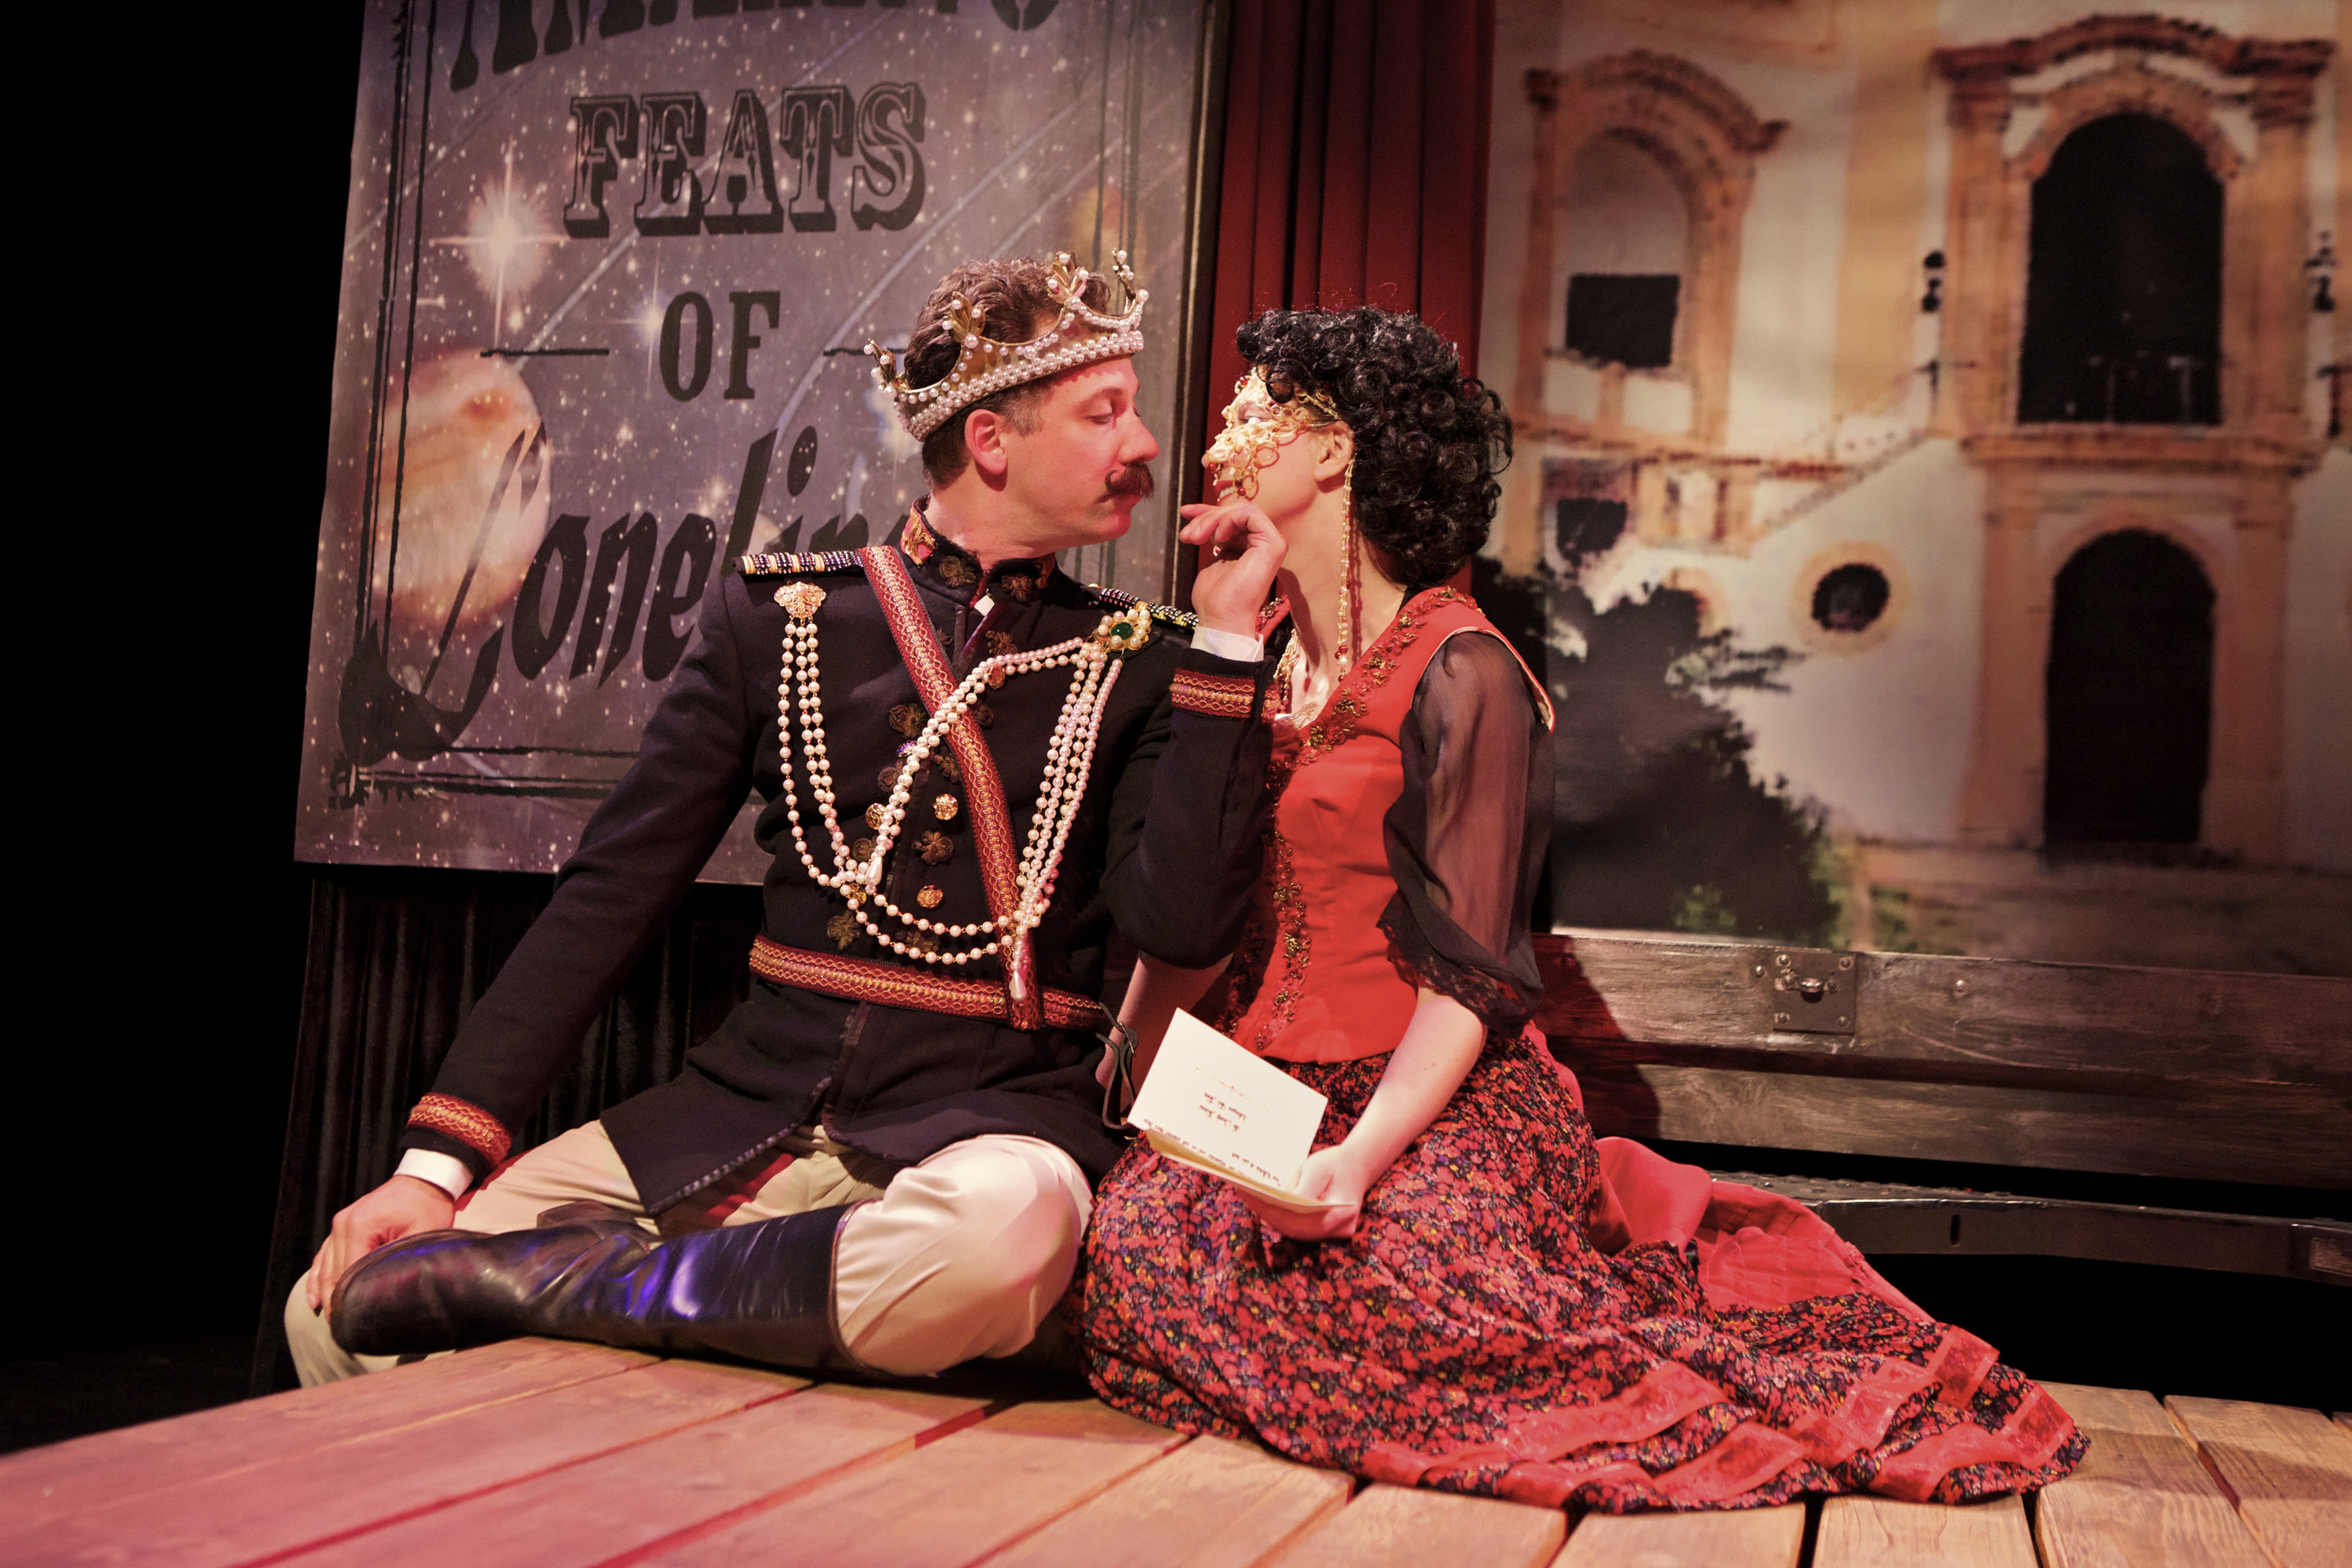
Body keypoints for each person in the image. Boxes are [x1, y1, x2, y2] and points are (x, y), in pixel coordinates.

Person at [1069, 306, 2086, 1512]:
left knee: (1396, 1272)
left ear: (1336, 451)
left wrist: (1358, 1159)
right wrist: (1136, 1055)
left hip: (1431, 1092)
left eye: (1261, 411)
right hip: (1264, 1089)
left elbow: (1469, 970)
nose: (1221, 433)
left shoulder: (1464, 668)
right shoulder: (1255, 646)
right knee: (1139, 1251)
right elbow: (1201, 905)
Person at [295, 252, 1290, 1383]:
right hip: (743, 1114)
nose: (1145, 443)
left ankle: (588, 1292)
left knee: (998, 1243)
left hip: (987, 1132)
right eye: (1105, 412)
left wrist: (1227, 649)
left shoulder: (1151, 660)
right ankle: (692, 1311)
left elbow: (1182, 927)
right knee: (343, 1310)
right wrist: (431, 1168)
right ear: (991, 442)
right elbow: (612, 893)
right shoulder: (782, 618)